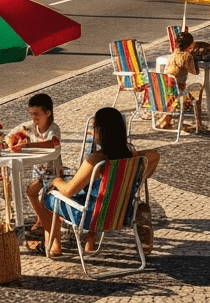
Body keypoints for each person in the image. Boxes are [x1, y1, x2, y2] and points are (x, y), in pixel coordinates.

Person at [42, 107, 159, 257]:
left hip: (92, 219)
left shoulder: (96, 160)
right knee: (97, 191)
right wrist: (140, 178)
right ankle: (90, 244)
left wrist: (56, 181)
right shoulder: (133, 157)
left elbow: (69, 191)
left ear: (99, 131)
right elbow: (155, 155)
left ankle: (54, 248)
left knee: (47, 196)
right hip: (122, 214)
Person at [9, 93, 63, 239]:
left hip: (52, 173)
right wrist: (14, 139)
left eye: (37, 114)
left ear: (48, 113)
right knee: (32, 193)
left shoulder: (53, 128)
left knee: (39, 197)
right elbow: (20, 133)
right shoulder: (33, 127)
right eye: (31, 114)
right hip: (38, 170)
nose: (33, 117)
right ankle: (42, 221)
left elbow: (52, 143)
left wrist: (29, 144)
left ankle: (47, 227)